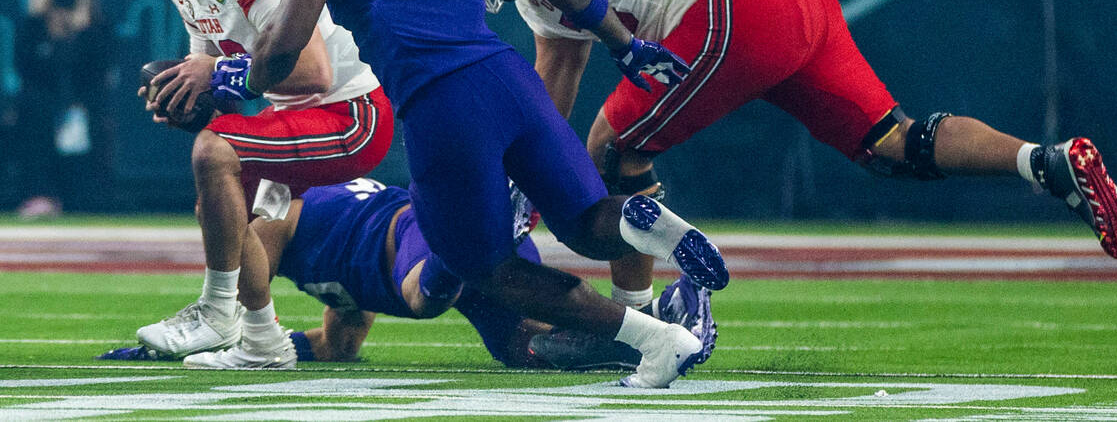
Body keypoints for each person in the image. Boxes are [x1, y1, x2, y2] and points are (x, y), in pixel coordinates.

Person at [462, 0, 1117, 312]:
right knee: (895, 146)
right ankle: (1046, 163)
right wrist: (521, 178)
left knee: (612, 153)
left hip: (737, 3)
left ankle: (639, 320)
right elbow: (553, 89)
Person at [213, 0, 723, 388]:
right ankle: (656, 225)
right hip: (510, 82)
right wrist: (624, 45)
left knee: (487, 268)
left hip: (441, 101)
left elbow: (284, 47)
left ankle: (655, 341)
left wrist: (239, 79)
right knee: (585, 221)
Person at [123, 0, 395, 368]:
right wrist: (184, 98)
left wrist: (216, 75)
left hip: (351, 114)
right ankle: (263, 343)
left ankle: (216, 311)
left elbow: (313, 71)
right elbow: (217, 82)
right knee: (220, 208)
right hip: (297, 113)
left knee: (215, 151)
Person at [102, 178, 716, 370]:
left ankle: (483, 224)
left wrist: (195, 343)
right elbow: (339, 340)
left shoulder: (276, 222)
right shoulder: (320, 268)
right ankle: (659, 325)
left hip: (419, 229)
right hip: (423, 247)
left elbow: (244, 266)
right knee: (525, 346)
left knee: (419, 295)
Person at [10, 0, 118, 215]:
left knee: (88, 134)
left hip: (83, 107)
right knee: (34, 117)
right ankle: (41, 195)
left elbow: (99, 67)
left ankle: (84, 199)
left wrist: (81, 26)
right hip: (42, 108)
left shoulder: (94, 28)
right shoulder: (34, 27)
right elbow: (25, 65)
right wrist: (40, 16)